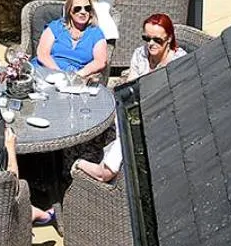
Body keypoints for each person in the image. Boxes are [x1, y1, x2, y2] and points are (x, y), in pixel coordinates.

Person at [75, 14, 188, 183]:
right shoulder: (140, 54)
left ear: (169, 38)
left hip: (158, 119)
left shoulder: (179, 62)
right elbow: (129, 89)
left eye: (157, 40)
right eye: (146, 38)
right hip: (134, 111)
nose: (151, 44)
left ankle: (80, 164)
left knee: (107, 170)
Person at [34, 0, 109, 82]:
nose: (83, 12)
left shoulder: (95, 33)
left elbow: (100, 61)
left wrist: (77, 75)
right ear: (69, 10)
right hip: (46, 70)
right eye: (77, 8)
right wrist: (59, 74)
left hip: (75, 76)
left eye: (87, 8)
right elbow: (43, 54)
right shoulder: (56, 27)